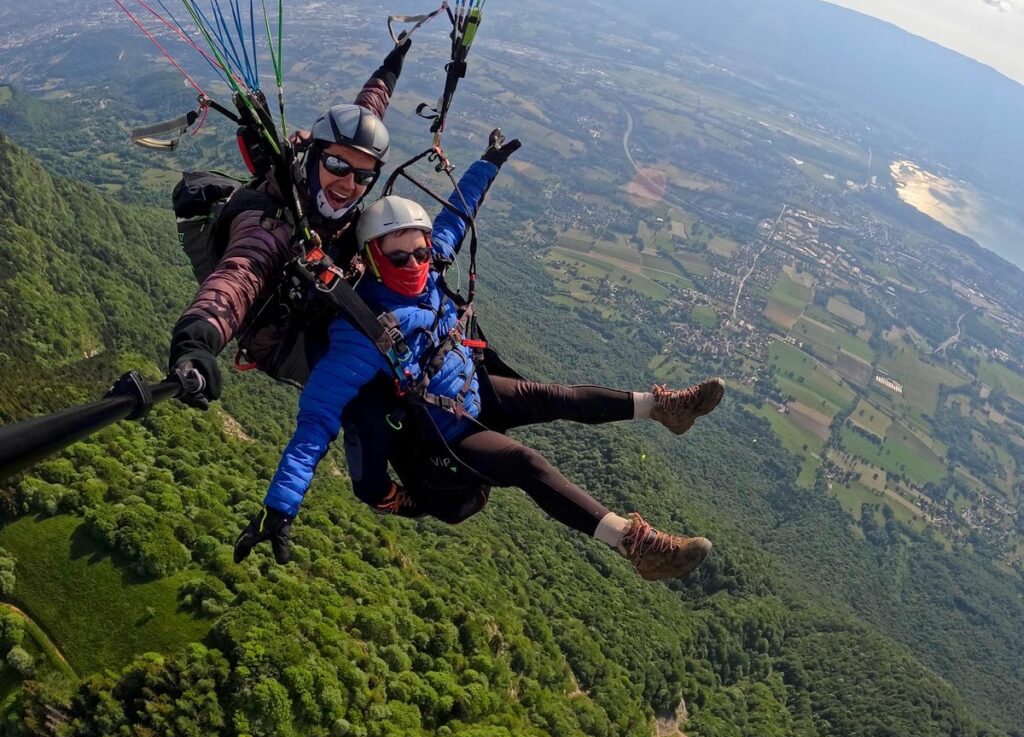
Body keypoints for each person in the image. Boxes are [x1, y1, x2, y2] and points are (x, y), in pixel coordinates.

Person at [233, 184, 727, 582]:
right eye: (398, 256)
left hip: (473, 389)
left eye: (420, 252)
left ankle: (665, 409)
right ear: (373, 256)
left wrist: (487, 163)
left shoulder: (429, 272)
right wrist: (280, 506)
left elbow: (456, 215)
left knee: (554, 396)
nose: (414, 263)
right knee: (524, 463)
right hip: (447, 436)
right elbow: (316, 423)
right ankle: (636, 546)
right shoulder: (359, 329)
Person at [168, 39, 413, 406]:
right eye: (336, 167)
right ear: (315, 157)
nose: (349, 185)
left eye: (363, 177)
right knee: (384, 393)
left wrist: (391, 65)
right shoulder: (271, 224)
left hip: (324, 297)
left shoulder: (328, 158)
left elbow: (368, 108)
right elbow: (237, 278)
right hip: (289, 341)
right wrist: (196, 343)